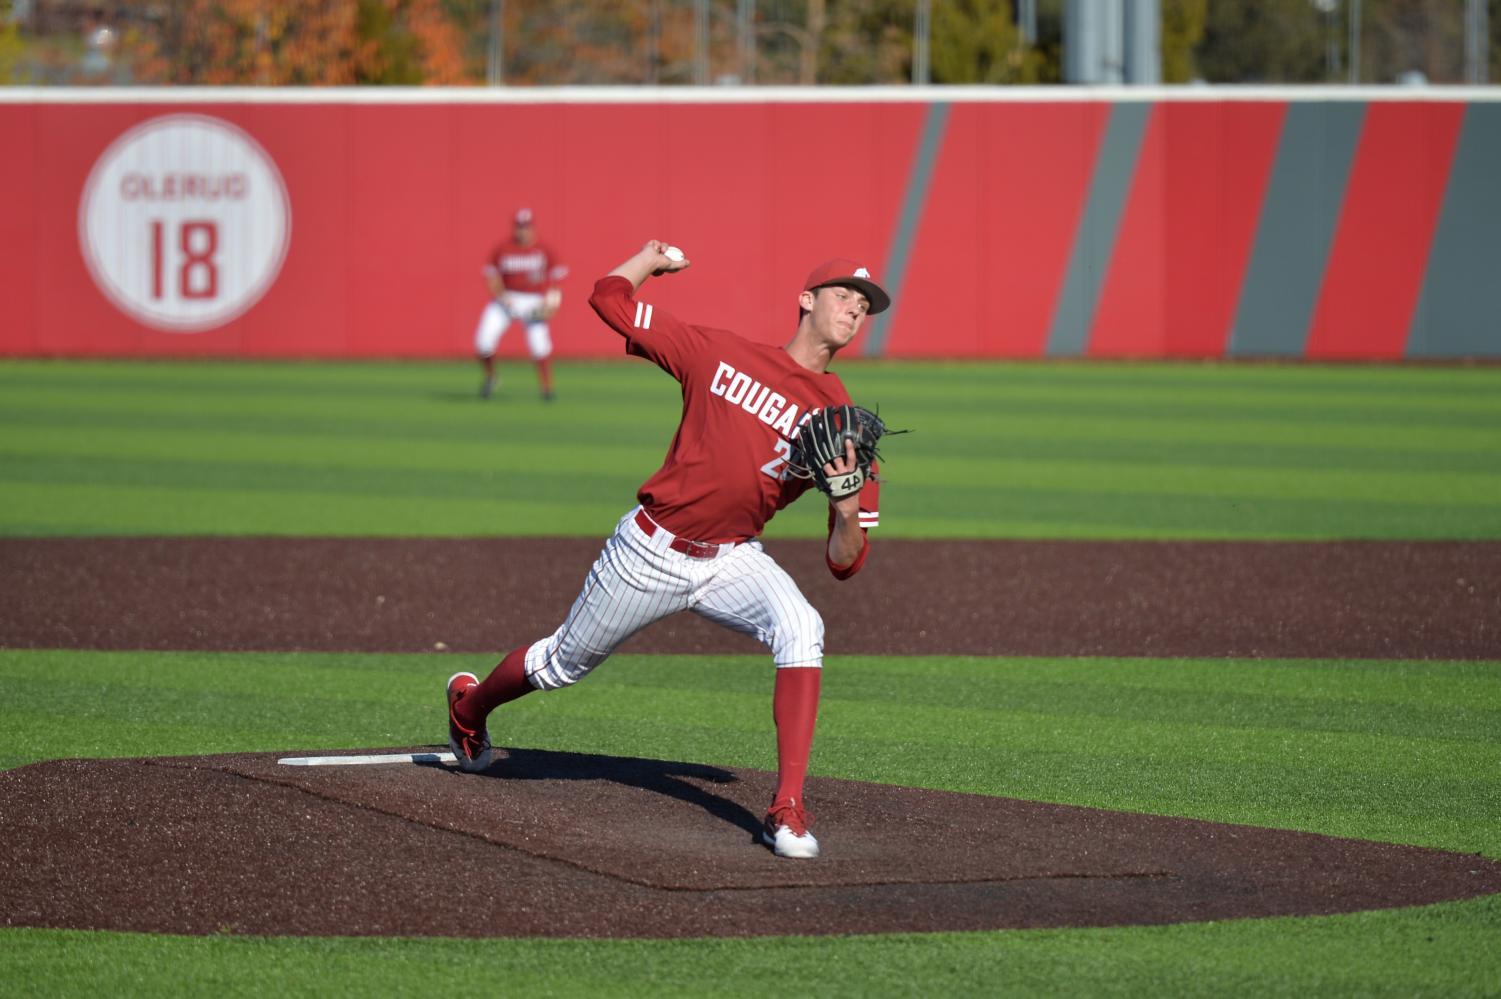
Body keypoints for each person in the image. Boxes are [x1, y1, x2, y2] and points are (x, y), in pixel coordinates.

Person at [445, 240, 891, 859]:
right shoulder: (719, 353)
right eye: (844, 294)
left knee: (801, 626)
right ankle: (470, 706)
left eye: (865, 304)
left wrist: (845, 513)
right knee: (559, 666)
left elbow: (846, 563)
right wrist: (648, 258)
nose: (854, 309)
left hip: (732, 557)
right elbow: (608, 299)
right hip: (650, 549)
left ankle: (786, 807)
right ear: (807, 299)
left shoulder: (844, 421)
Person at [473, 207, 568, 401]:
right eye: (519, 227)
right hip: (506, 298)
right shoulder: (503, 248)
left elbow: (556, 279)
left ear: (533, 228)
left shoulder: (544, 249)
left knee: (539, 344)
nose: (523, 230)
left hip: (533, 300)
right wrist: (501, 296)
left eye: (526, 227)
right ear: (514, 228)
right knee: (483, 342)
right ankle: (491, 377)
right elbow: (492, 277)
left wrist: (553, 303)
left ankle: (546, 388)